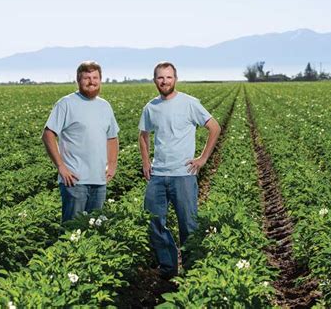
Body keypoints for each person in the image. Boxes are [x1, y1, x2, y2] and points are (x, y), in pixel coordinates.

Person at [138, 61, 221, 279]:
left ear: (175, 78)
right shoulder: (151, 107)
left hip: (184, 175)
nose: (164, 81)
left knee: (189, 225)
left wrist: (203, 158)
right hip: (158, 175)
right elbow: (143, 135)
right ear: (154, 80)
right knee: (153, 221)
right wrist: (146, 162)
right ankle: (168, 268)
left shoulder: (189, 103)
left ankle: (192, 271)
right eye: (160, 77)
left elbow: (214, 127)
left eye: (168, 77)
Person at [42, 61, 119, 223]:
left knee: (95, 230)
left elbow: (112, 137)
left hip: (99, 180)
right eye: (86, 78)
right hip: (75, 181)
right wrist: (61, 167)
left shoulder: (105, 106)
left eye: (95, 77)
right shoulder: (66, 104)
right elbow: (48, 134)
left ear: (100, 80)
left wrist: (112, 164)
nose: (91, 81)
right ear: (78, 80)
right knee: (73, 229)